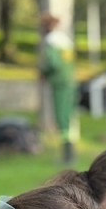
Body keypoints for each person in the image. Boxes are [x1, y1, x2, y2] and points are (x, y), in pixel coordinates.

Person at [39, 13, 78, 165]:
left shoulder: (51, 41)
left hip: (60, 84)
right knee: (68, 117)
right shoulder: (65, 40)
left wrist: (43, 72)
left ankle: (67, 155)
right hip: (70, 82)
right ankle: (69, 153)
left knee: (61, 118)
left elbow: (53, 63)